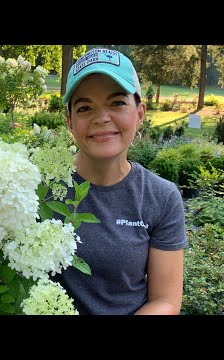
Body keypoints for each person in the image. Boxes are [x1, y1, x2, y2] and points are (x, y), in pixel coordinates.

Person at [54, 48, 188, 315]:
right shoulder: (39, 188)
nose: (102, 118)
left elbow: (166, 301)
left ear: (139, 113)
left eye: (116, 103)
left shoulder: (161, 197)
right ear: (70, 122)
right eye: (84, 107)